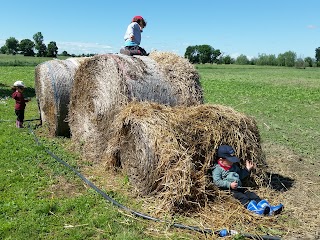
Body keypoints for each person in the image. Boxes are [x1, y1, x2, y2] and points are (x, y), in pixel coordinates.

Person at [212, 145, 283, 216]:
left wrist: (247, 169)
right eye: (230, 160)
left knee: (252, 195)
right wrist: (229, 184)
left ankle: (268, 208)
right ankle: (256, 211)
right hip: (229, 190)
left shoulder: (234, 167)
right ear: (221, 160)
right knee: (243, 198)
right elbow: (217, 181)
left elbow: (240, 175)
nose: (232, 162)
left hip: (240, 188)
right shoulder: (217, 169)